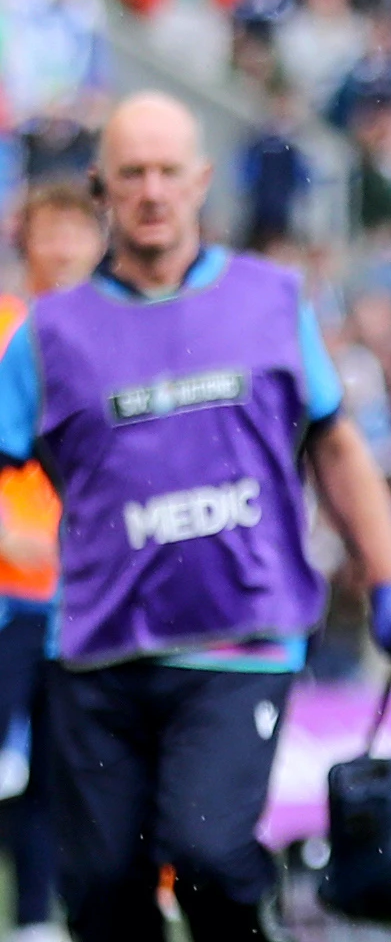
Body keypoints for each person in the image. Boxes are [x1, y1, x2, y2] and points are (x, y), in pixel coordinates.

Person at [0, 93, 391, 941]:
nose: (153, 191)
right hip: (96, 649)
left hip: (239, 638)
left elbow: (337, 446)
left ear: (202, 179)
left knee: (205, 854)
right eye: (132, 173)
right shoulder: (50, 335)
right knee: (99, 894)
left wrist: (389, 580)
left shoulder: (270, 300)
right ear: (102, 187)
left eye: (169, 171)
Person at [0, 181, 103, 942]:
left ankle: (37, 918)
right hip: (9, 591)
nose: (64, 246)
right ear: (25, 238)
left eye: (78, 230)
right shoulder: (6, 328)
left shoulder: (116, 335)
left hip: (83, 597)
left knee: (53, 773)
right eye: (50, 230)